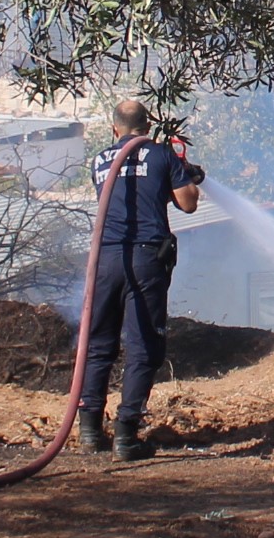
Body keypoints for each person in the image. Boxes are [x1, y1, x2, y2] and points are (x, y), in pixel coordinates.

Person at [71, 96, 201, 460]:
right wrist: (187, 173)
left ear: (115, 129)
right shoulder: (161, 155)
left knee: (98, 344)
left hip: (105, 259)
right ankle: (126, 436)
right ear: (147, 127)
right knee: (143, 346)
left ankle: (89, 432)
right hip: (145, 259)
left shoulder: (99, 160)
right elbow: (188, 202)